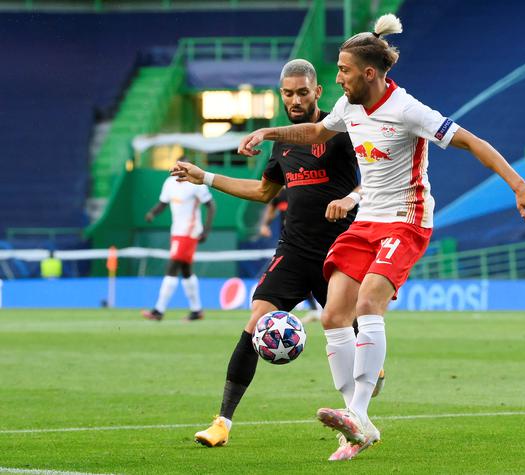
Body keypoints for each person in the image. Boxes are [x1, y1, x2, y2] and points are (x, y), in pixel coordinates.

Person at [237, 14, 525, 461]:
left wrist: (517, 184)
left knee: (368, 305)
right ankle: (356, 424)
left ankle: (358, 417)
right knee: (332, 317)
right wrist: (269, 131)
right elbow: (314, 132)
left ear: (368, 73)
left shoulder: (408, 110)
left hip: (407, 220)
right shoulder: (348, 107)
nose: (337, 78)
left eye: (343, 70)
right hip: (366, 223)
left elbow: (473, 142)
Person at [170, 59, 379, 449]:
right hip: (295, 251)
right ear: (281, 94)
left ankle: (360, 414)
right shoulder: (284, 143)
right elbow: (264, 192)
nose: (296, 100)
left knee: (350, 337)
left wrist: (351, 196)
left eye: (303, 92)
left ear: (318, 92)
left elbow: (378, 179)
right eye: (288, 93)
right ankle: (222, 423)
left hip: (340, 252)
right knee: (256, 322)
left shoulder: (341, 132)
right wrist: (206, 177)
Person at [142, 157, 216, 322]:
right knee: (186, 271)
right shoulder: (169, 183)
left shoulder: (196, 184)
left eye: (183, 167)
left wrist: (206, 229)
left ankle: (158, 310)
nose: (178, 170)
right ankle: (197, 310)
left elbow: (211, 205)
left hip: (189, 232)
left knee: (172, 266)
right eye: (177, 167)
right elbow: (163, 203)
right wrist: (152, 213)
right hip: (176, 231)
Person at [258, 187, 322, 323]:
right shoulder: (280, 193)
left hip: (308, 241)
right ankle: (314, 309)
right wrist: (264, 225)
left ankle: (319, 309)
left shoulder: (303, 190)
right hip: (288, 243)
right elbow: (271, 208)